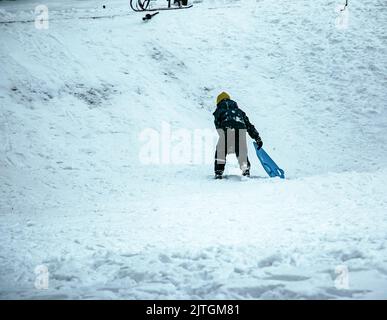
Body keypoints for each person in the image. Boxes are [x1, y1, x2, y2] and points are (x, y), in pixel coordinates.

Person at [213, 92, 263, 179]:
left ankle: (218, 172)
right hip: (240, 129)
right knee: (241, 151)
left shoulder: (219, 111)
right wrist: (257, 137)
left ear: (218, 102)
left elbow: (218, 126)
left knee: (221, 150)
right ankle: (245, 170)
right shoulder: (239, 111)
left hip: (227, 129)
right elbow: (249, 125)